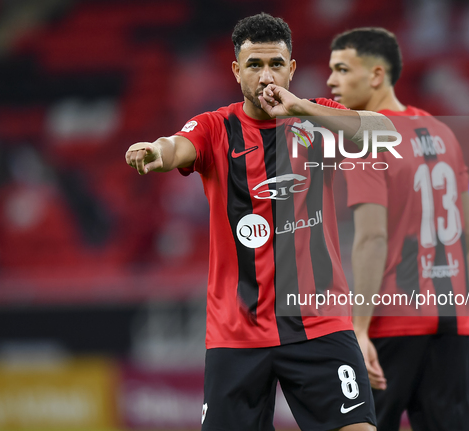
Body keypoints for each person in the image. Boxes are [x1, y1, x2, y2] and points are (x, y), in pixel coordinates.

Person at [125, 13, 396, 431]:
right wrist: (156, 152)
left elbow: (385, 134)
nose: (266, 76)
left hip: (319, 326)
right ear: (237, 72)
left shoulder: (318, 118)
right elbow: (177, 146)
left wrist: (300, 107)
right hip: (238, 335)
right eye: (254, 65)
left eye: (275, 65)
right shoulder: (217, 128)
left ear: (291, 68)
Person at [327, 28, 469, 430]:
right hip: (451, 322)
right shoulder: (442, 132)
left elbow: (372, 237)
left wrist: (358, 329)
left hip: (392, 319)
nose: (331, 81)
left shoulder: (367, 139)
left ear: (376, 75)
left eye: (342, 69)